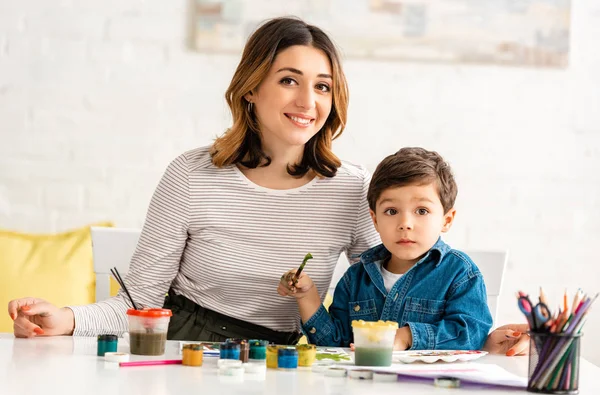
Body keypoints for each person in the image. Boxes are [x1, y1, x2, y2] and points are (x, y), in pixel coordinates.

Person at [7, 16, 529, 355]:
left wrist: (482, 337)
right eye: (288, 79)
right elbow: (137, 303)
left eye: (322, 85)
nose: (308, 101)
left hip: (300, 359)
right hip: (189, 349)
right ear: (252, 88)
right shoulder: (191, 174)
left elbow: (394, 297)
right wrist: (67, 318)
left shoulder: (351, 188)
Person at [279, 147, 492, 350]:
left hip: (428, 386)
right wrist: (308, 298)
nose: (405, 223)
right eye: (391, 211)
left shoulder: (459, 273)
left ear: (446, 220)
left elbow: (472, 334)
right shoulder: (356, 278)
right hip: (363, 384)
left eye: (422, 210)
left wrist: (406, 337)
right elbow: (335, 344)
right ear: (375, 220)